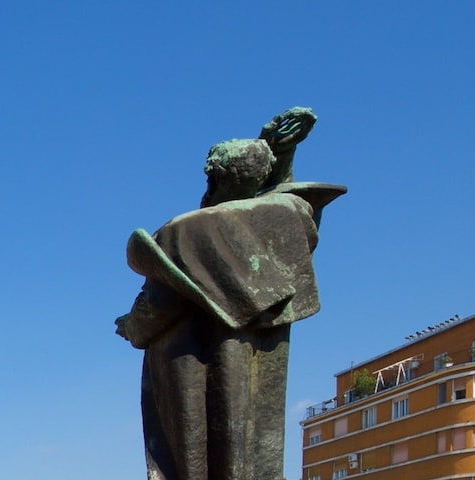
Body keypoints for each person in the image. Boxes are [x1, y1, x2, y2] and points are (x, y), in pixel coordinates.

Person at [116, 130, 345, 480]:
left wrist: (131, 326)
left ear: (213, 178)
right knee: (247, 448)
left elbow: (160, 303)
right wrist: (280, 157)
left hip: (189, 358)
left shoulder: (186, 231)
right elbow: (286, 205)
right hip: (253, 359)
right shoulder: (285, 217)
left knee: (194, 452)